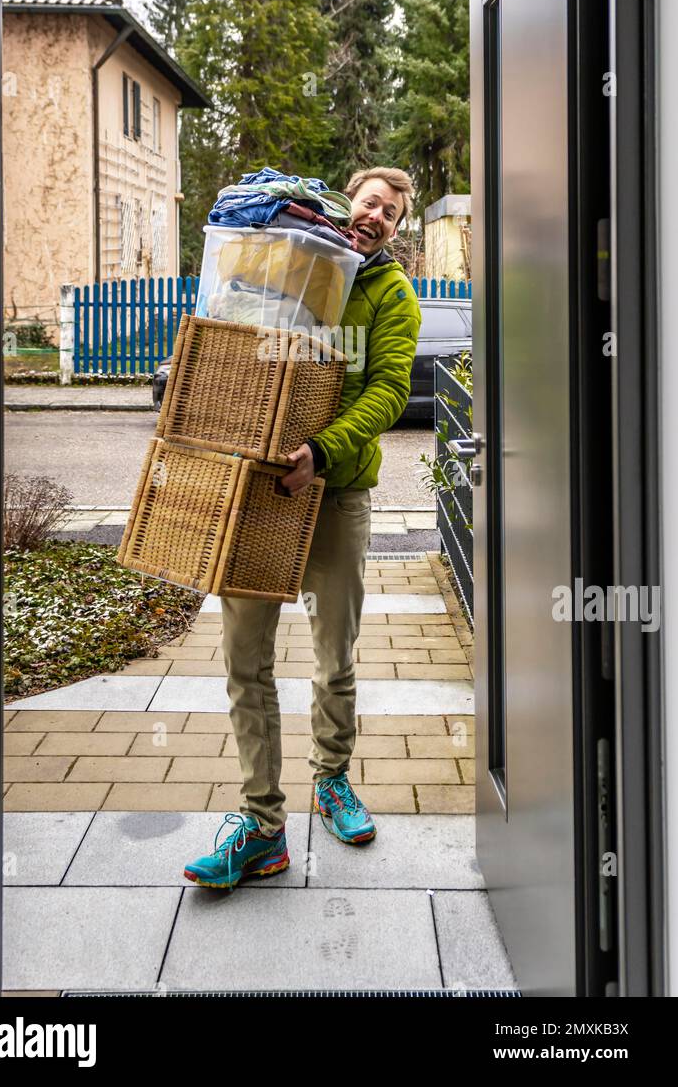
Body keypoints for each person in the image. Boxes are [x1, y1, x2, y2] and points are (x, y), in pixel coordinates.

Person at [184, 166, 422, 889]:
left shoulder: (391, 295)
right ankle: (262, 827)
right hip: (257, 491)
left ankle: (332, 781)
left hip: (337, 493)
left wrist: (321, 453)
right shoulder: (294, 259)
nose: (375, 215)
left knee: (334, 655)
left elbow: (387, 390)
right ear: (349, 203)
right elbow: (234, 332)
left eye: (390, 211)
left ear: (398, 228)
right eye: (370, 202)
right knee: (243, 660)